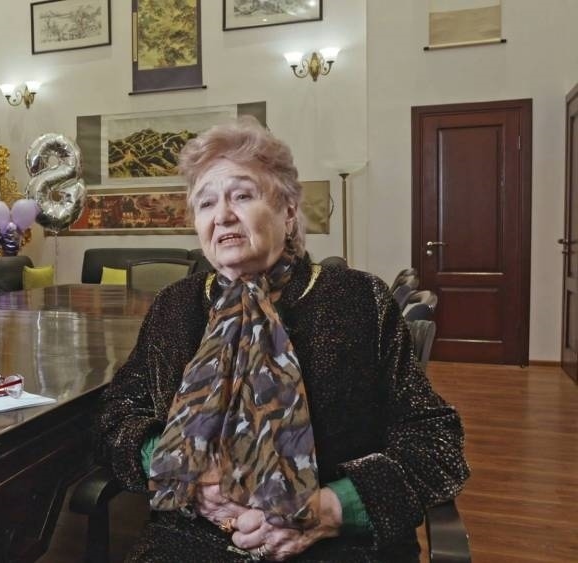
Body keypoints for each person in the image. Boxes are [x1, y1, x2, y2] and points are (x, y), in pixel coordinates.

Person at [94, 116, 468, 562]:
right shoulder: (175, 306)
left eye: (242, 195)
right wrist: (180, 467)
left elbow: (434, 439)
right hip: (191, 540)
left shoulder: (358, 300)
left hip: (335, 547)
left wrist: (331, 509)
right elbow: (118, 414)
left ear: (289, 212)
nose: (223, 215)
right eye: (206, 203)